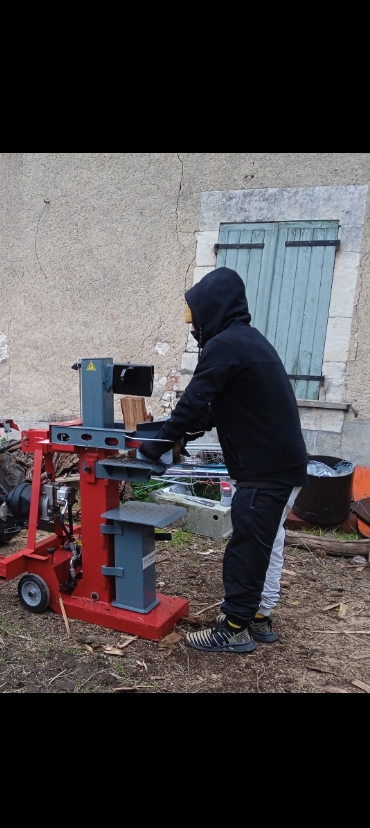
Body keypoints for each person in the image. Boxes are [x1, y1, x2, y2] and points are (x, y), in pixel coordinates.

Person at [139, 267, 307, 655]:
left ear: (212, 308)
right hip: (285, 467)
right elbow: (220, 406)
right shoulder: (248, 342)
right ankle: (260, 616)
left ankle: (233, 627)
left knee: (247, 545)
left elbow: (196, 397)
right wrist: (186, 430)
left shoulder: (225, 346)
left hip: (264, 471)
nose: (192, 324)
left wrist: (155, 445)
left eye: (193, 315)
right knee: (268, 541)